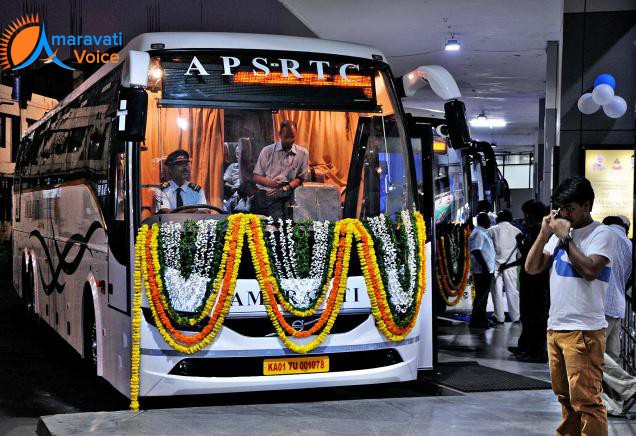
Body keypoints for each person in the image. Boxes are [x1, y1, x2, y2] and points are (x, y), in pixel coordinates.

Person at [526, 176, 614, 435]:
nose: (564, 214)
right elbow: (531, 268)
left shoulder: (602, 233)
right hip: (557, 328)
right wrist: (544, 234)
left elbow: (590, 270)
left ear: (587, 205)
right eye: (561, 208)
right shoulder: (559, 234)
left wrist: (565, 239)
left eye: (570, 208)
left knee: (587, 401)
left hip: (584, 329)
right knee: (565, 398)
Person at [599, 215, 636, 416]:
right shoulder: (628, 244)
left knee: (594, 354)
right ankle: (614, 405)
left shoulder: (605, 236)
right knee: (610, 358)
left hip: (602, 304)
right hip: (618, 305)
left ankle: (629, 386)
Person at [508, 200, 550, 363]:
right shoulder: (532, 230)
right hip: (528, 280)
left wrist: (520, 243)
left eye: (527, 215)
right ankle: (526, 345)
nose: (524, 218)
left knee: (536, 316)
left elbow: (533, 257)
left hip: (537, 282)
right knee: (526, 314)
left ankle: (536, 350)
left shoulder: (541, 232)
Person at [251, 120, 309, 220]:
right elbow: (256, 177)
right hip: (265, 192)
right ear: (280, 135)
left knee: (279, 222)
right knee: (253, 224)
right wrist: (272, 183)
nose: (289, 140)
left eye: (292, 137)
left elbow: (301, 177)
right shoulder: (267, 151)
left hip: (286, 192)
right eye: (286, 137)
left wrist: (285, 188)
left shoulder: (303, 153)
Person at [488, 209, 521, 324]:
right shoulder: (517, 231)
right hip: (511, 266)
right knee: (512, 291)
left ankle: (499, 317)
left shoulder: (491, 231)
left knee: (496, 291)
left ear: (498, 219)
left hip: (496, 266)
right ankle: (515, 316)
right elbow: (520, 253)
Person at [468, 212, 496, 329]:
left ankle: (482, 319)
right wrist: (484, 267)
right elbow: (476, 250)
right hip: (482, 271)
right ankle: (476, 321)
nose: (490, 222)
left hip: (486, 270)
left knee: (483, 297)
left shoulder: (483, 232)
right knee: (481, 297)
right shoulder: (478, 233)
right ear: (482, 221)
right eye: (487, 220)